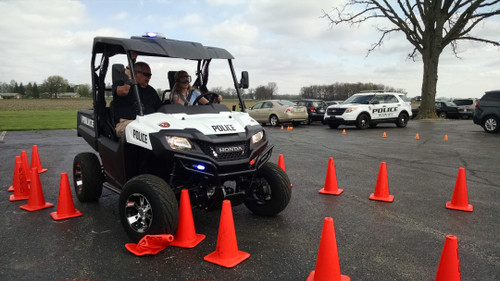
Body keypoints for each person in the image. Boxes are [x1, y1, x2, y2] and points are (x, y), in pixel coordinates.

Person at [113, 61, 162, 137]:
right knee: (146, 132)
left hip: (149, 124)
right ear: (135, 73)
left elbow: (160, 108)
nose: (149, 78)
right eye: (146, 75)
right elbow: (124, 91)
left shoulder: (151, 91)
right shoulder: (124, 87)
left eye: (150, 75)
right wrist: (130, 78)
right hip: (126, 123)